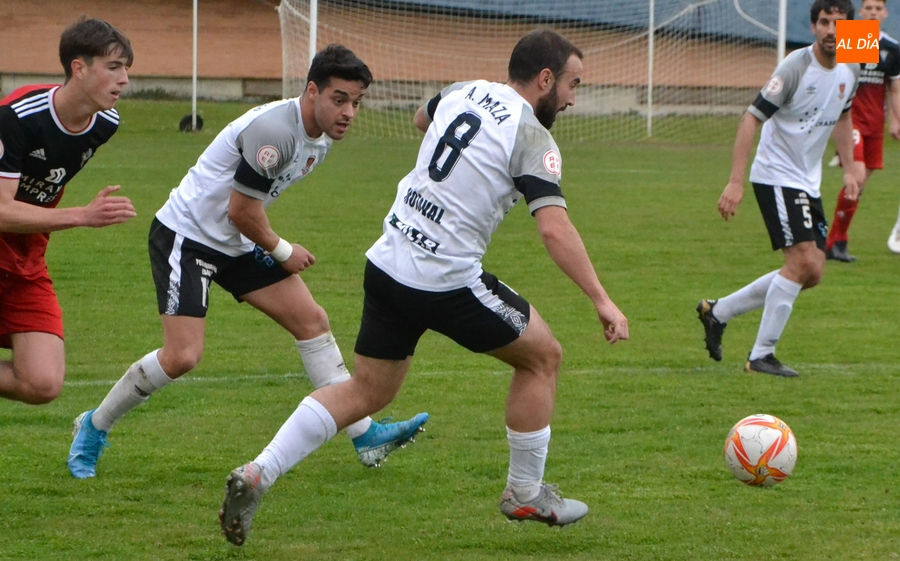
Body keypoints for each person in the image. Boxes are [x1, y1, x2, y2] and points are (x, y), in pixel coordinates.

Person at [218, 29, 629, 546]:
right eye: (572, 84)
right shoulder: (532, 137)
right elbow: (553, 228)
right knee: (543, 356)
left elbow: (422, 118)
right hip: (445, 281)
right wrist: (602, 299)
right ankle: (525, 491)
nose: (572, 98)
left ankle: (259, 471)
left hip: (388, 263)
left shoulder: (464, 90)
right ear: (545, 78)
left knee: (366, 392)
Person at [66, 45, 428, 479]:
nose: (349, 111)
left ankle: (364, 435)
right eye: (339, 99)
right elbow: (241, 210)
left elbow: (243, 215)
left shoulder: (320, 139)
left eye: (357, 102)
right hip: (189, 236)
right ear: (312, 91)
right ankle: (94, 424)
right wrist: (282, 250)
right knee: (182, 356)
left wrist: (268, 247)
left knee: (311, 321)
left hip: (234, 241)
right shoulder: (276, 131)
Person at [697, 0, 859, 377]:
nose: (831, 31)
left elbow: (845, 112)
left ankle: (717, 312)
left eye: (840, 24)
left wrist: (850, 169)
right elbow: (750, 119)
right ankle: (760, 356)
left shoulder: (852, 63)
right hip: (775, 175)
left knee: (813, 272)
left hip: (807, 180)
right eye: (823, 23)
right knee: (802, 262)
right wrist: (735, 182)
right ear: (813, 25)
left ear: (851, 27)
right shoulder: (794, 67)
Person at [0, 18, 136, 405]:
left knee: (42, 383)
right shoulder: (16, 116)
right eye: (113, 67)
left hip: (25, 257)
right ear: (79, 68)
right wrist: (82, 215)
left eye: (126, 68)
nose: (124, 79)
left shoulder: (105, 123)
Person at [823, 0, 900, 261]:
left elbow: (894, 89)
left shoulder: (891, 48)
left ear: (885, 14)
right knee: (854, 177)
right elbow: (840, 80)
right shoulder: (853, 40)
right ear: (861, 12)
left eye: (878, 9)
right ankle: (836, 240)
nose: (872, 13)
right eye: (868, 8)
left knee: (858, 185)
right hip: (851, 121)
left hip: (875, 125)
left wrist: (897, 120)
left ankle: (835, 240)